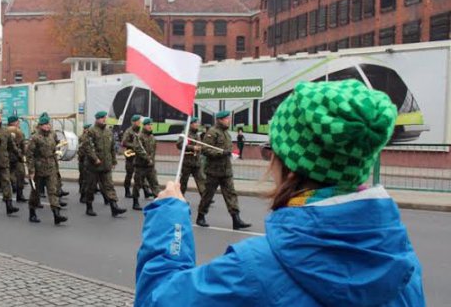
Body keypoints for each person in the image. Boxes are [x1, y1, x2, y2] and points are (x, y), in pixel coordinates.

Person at [135, 80, 425, 307]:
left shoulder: (253, 269)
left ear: (288, 162)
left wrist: (169, 220)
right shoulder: (404, 265)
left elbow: (157, 300)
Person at [198, 110, 251, 229]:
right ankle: (201, 216)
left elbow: (227, 150)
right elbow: (205, 150)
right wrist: (220, 153)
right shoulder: (212, 132)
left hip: (226, 170)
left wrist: (230, 154)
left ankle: (236, 220)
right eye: (227, 118)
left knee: (231, 194)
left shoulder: (227, 133)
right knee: (208, 195)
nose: (229, 120)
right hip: (214, 171)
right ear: (220, 120)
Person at [79, 111, 127, 217]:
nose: (104, 119)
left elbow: (112, 148)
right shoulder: (91, 131)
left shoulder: (108, 131)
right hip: (93, 166)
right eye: (102, 118)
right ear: (97, 119)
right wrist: (95, 159)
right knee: (91, 187)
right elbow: (88, 147)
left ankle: (114, 207)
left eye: (105, 118)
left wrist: (114, 161)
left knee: (109, 186)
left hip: (106, 165)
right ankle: (89, 207)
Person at [26, 115, 68, 225]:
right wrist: (31, 171)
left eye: (48, 124)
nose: (48, 126)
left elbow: (54, 149)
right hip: (38, 169)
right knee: (35, 193)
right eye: (45, 124)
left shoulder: (51, 136)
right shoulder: (35, 138)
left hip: (51, 168)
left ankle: (56, 214)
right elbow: (29, 155)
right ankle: (32, 212)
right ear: (40, 125)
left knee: (52, 191)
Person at [132, 118, 158, 211]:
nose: (150, 126)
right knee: (138, 184)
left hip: (150, 166)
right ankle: (135, 202)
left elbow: (153, 151)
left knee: (154, 184)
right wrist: (148, 159)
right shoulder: (139, 137)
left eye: (151, 125)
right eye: (148, 125)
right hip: (141, 166)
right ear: (144, 126)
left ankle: (158, 201)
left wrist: (152, 161)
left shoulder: (152, 137)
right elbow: (138, 149)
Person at [176, 117, 206, 198]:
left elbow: (199, 145)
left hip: (196, 162)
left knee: (201, 180)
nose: (197, 125)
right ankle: (180, 197)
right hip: (187, 163)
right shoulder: (185, 134)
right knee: (184, 182)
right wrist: (192, 148)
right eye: (196, 123)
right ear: (191, 124)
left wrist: (201, 148)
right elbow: (179, 145)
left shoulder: (197, 135)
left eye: (198, 123)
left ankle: (205, 197)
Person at [7, 115, 27, 203]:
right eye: (17, 122)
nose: (18, 123)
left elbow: (23, 143)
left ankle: (20, 194)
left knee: (21, 174)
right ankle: (7, 196)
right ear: (12, 123)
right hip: (7, 156)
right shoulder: (5, 131)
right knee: (7, 176)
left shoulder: (20, 132)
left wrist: (23, 154)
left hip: (17, 157)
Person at [121, 114, 141, 199]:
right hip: (130, 155)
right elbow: (124, 143)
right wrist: (134, 145)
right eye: (138, 121)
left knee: (139, 174)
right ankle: (127, 190)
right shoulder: (128, 131)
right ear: (133, 122)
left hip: (138, 155)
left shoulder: (140, 131)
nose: (139, 122)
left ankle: (145, 190)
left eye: (139, 121)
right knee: (129, 173)